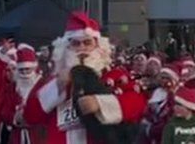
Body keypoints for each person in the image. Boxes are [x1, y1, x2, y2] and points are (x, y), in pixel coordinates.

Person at [23, 11, 146, 144]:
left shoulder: (113, 75)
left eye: (87, 43)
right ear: (66, 47)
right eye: (76, 43)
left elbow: (137, 103)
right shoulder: (52, 80)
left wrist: (100, 103)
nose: (82, 49)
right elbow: (30, 116)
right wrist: (56, 87)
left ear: (98, 46)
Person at [1, 46, 42, 144]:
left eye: (27, 69)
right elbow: (5, 112)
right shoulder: (12, 88)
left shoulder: (42, 85)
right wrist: (15, 118)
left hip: (38, 135)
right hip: (17, 136)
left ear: (34, 68)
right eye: (21, 70)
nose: (24, 73)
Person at [142, 61, 182, 144]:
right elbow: (148, 112)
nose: (164, 81)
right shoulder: (157, 92)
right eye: (162, 78)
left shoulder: (178, 94)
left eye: (167, 78)